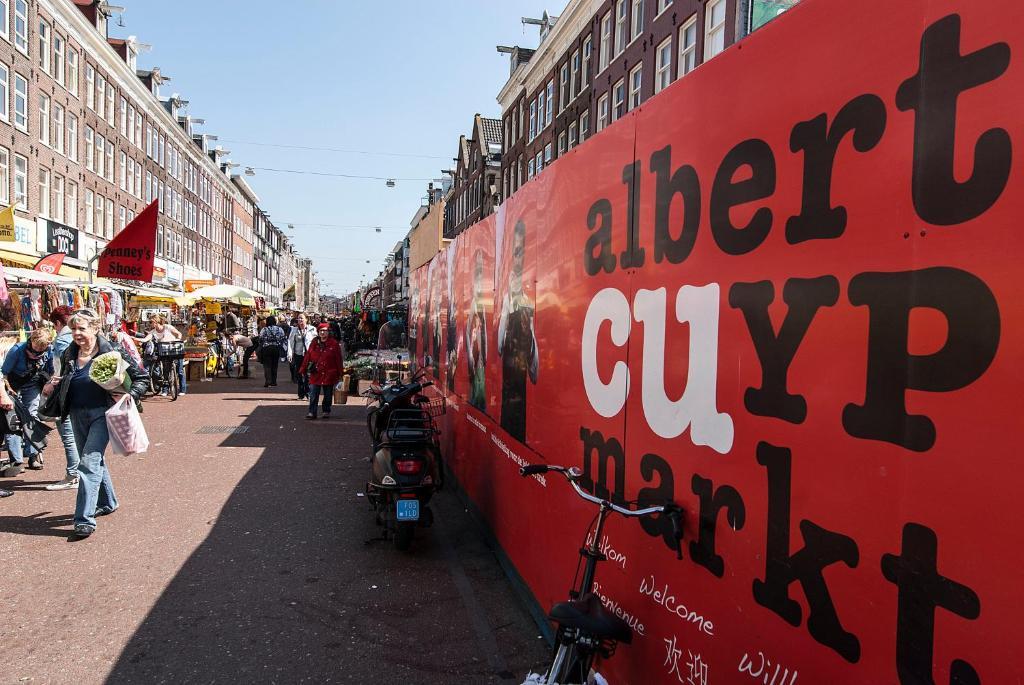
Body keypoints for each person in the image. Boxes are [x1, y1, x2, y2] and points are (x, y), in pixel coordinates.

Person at [43, 308, 148, 539]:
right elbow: (59, 375)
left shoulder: (113, 350)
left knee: (88, 464)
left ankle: (83, 520)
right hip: (76, 414)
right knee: (92, 460)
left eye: (82, 328)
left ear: (95, 328)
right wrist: (52, 383)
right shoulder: (69, 353)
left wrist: (130, 395)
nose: (77, 334)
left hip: (104, 413)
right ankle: (108, 502)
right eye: (73, 329)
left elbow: (142, 377)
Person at [497, 220, 538, 443]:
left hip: (520, 396)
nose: (518, 260)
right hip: (507, 391)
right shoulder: (508, 299)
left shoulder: (530, 301)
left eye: (522, 252)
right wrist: (508, 305)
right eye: (515, 252)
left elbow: (534, 371)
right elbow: (499, 347)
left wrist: (529, 325)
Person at [1, 327, 56, 476]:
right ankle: (16, 460)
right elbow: (4, 372)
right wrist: (8, 390)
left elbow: (50, 370)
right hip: (13, 385)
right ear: (31, 341)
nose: (37, 351)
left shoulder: (48, 350)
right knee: (12, 421)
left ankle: (33, 455)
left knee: (32, 418)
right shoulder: (17, 350)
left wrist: (48, 383)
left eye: (42, 348)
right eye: (36, 347)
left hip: (32, 384)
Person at [45, 306, 81, 491]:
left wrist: (51, 383)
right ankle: (79, 473)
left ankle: (73, 474)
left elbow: (61, 369)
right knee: (78, 434)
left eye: (55, 325)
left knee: (67, 434)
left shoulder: (62, 341)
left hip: (63, 392)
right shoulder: (79, 338)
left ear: (58, 323)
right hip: (79, 392)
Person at [300, 323, 343, 420]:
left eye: (325, 330)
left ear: (328, 332)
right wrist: (303, 368)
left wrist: (340, 373)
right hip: (316, 372)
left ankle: (326, 410)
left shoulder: (334, 344)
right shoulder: (314, 342)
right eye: (321, 331)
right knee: (313, 393)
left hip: (329, 372)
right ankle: (312, 412)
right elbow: (308, 356)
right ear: (318, 332)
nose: (322, 332)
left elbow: (338, 359)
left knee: (328, 395)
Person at [137, 314, 187, 396]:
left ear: (155, 322)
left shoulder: (167, 327)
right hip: (165, 352)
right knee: (165, 371)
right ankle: (165, 390)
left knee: (180, 370)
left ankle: (182, 389)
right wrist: (134, 338)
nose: (150, 324)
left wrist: (178, 339)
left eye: (151, 322)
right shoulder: (153, 332)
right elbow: (145, 339)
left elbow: (178, 333)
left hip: (175, 349)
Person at [465, 250, 488, 412]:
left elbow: (484, 329)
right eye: (478, 271)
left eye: (482, 271)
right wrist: (472, 356)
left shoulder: (483, 300)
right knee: (477, 389)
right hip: (476, 352)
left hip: (480, 355)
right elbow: (467, 331)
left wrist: (484, 355)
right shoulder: (475, 301)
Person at [286, 313, 316, 400]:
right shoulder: (294, 330)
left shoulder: (312, 329)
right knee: (300, 374)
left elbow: (316, 342)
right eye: (298, 319)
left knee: (308, 375)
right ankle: (301, 394)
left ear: (306, 319)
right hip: (298, 354)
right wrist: (290, 353)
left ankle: (308, 393)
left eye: (302, 318)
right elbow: (290, 342)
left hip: (309, 355)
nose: (300, 320)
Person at [257, 316, 287, 387]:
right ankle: (274, 381)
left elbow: (260, 338)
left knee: (267, 365)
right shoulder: (279, 329)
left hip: (266, 348)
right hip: (276, 348)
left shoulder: (264, 329)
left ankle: (268, 381)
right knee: (275, 365)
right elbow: (283, 338)